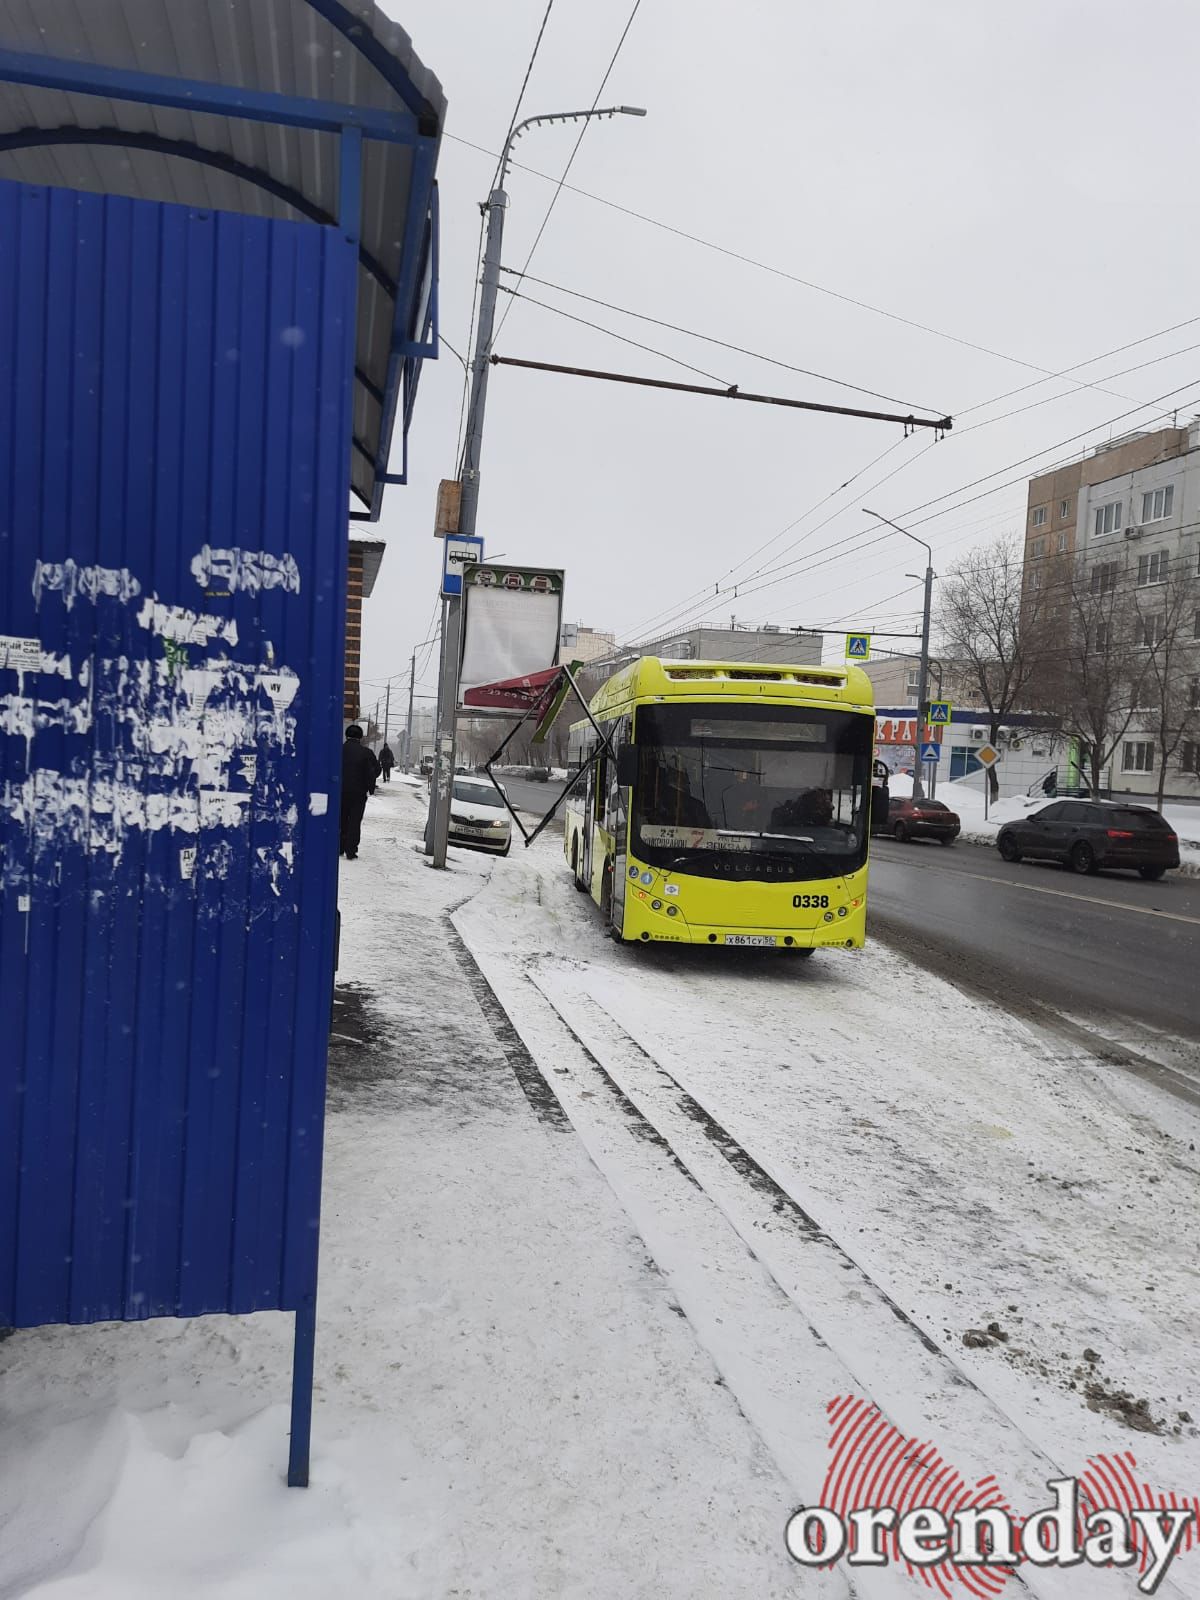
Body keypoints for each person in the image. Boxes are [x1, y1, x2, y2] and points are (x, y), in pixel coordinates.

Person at [340, 725, 379, 860]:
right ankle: (351, 850)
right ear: (361, 737)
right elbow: (376, 770)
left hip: (339, 791)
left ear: (346, 735)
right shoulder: (366, 753)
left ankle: (339, 846)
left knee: (341, 819)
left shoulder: (338, 750)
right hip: (359, 793)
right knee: (355, 821)